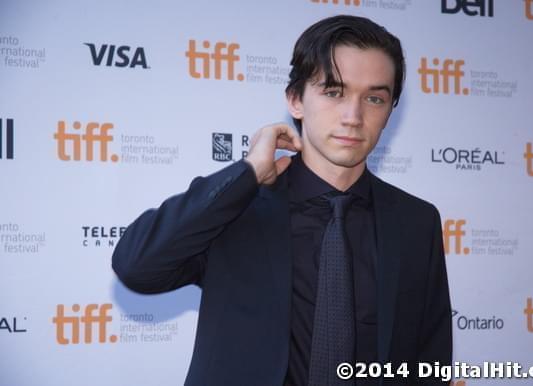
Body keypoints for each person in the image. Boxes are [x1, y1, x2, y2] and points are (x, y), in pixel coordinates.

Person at [112, 15, 452, 386]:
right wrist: (247, 173)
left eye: (373, 98)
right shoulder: (238, 205)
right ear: (295, 100)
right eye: (333, 92)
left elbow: (429, 361)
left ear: (389, 111)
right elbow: (136, 266)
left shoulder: (416, 221)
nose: (353, 117)